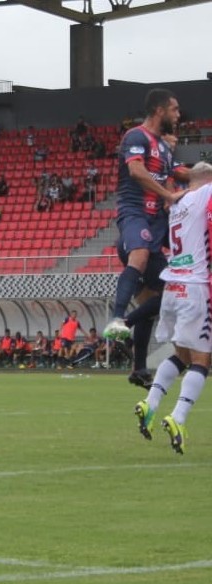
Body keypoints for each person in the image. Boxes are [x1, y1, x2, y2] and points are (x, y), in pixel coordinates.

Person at [133, 162, 212, 454]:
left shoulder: (175, 202)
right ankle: (178, 417)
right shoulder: (206, 193)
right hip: (194, 285)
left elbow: (179, 174)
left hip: (172, 286)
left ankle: (149, 403)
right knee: (202, 359)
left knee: (181, 354)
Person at [103, 89, 189, 341]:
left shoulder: (164, 146)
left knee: (170, 291)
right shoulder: (136, 136)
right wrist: (168, 195)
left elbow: (177, 174)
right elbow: (137, 171)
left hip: (158, 222)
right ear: (159, 110)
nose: (178, 115)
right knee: (138, 256)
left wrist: (202, 177)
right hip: (137, 212)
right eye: (174, 109)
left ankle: (137, 360)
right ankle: (117, 318)